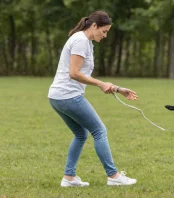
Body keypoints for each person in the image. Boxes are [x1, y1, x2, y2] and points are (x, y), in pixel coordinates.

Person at [48, 11, 138, 187]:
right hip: (68, 96)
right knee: (100, 131)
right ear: (94, 26)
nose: (104, 36)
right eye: (103, 31)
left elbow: (81, 74)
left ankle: (69, 178)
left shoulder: (86, 42)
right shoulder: (81, 41)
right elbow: (74, 73)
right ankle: (113, 176)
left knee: (81, 134)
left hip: (57, 97)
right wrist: (100, 84)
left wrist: (117, 89)